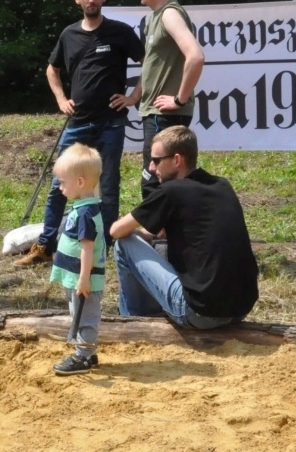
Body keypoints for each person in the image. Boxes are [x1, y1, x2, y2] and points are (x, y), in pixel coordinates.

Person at [14, 0, 145, 269]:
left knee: (108, 185)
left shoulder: (120, 32)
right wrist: (61, 99)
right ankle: (45, 246)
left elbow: (148, 62)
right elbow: (52, 69)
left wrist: (133, 96)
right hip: (78, 123)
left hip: (111, 122)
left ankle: (104, 247)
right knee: (59, 185)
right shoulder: (69, 34)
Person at [108, 126, 258, 328]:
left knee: (124, 243)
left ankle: (134, 323)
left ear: (177, 160)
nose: (151, 168)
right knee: (159, 244)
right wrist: (150, 234)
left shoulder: (170, 191)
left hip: (200, 313)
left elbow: (116, 231)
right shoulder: (222, 185)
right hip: (241, 308)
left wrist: (137, 234)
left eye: (156, 160)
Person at [126, 0, 204, 200]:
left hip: (165, 115)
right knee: (165, 181)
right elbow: (152, 64)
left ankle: (159, 224)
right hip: (157, 113)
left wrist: (179, 100)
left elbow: (196, 56)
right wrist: (134, 97)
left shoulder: (170, 14)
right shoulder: (155, 17)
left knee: (156, 181)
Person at [49, 144, 107, 375]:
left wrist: (84, 279)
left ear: (80, 182)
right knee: (78, 312)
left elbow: (87, 249)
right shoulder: (83, 208)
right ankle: (87, 353)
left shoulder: (85, 214)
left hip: (83, 279)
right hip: (74, 276)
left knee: (85, 315)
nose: (60, 187)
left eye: (63, 182)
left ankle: (83, 356)